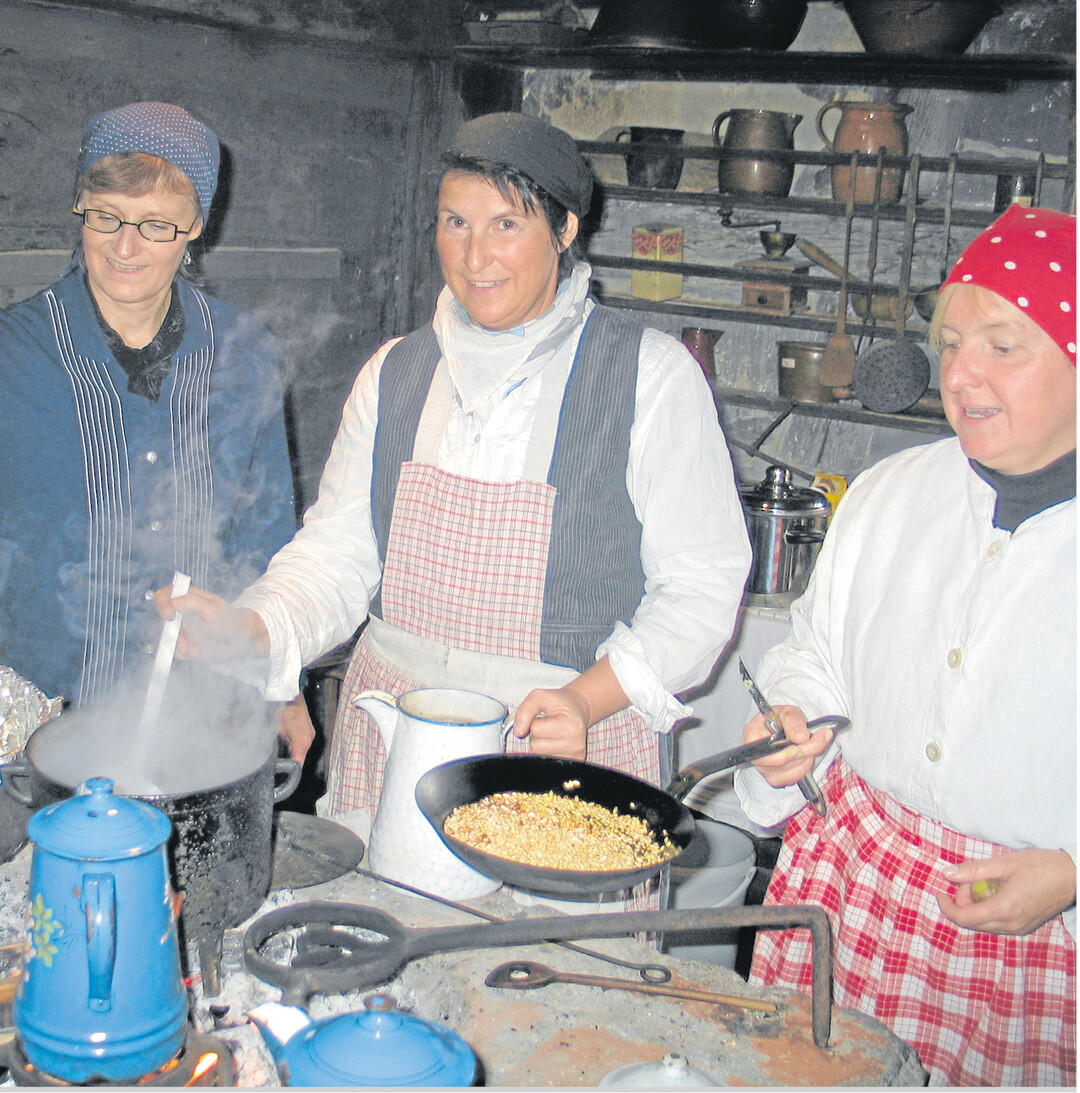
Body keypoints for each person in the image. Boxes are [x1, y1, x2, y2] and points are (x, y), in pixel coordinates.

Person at [156, 112, 751, 840]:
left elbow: (701, 587)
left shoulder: (650, 377)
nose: (475, 257)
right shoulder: (395, 372)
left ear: (565, 231)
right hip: (396, 750)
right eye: (455, 223)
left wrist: (589, 699)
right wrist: (257, 627)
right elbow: (337, 554)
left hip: (559, 754)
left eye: (507, 225)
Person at [734, 204, 1075, 1086]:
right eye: (952, 341)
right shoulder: (894, 491)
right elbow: (813, 647)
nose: (961, 373)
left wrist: (1074, 872)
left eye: (1004, 345)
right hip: (856, 890)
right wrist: (794, 713)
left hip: (1030, 944)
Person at [0, 102, 312, 760]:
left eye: (156, 225)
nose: (125, 246)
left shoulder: (242, 350)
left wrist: (285, 686)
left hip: (198, 718)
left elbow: (270, 539)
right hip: (37, 720)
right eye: (106, 215)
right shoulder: (14, 355)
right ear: (80, 205)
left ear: (197, 225)